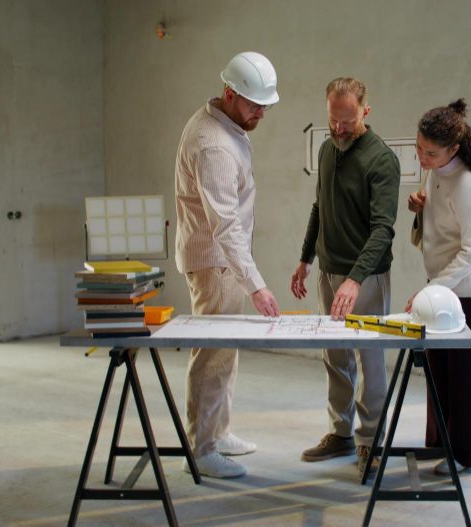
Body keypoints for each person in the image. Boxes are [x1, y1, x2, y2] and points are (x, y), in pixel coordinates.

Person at [173, 51, 281, 478]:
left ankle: (218, 432)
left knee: (224, 350)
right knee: (213, 353)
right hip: (216, 262)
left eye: (265, 105)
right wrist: (256, 284)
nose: (261, 113)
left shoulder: (227, 124)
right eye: (255, 104)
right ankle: (202, 450)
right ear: (229, 93)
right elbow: (224, 225)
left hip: (223, 262)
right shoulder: (212, 145)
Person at [291, 77, 401, 475]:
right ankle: (340, 433)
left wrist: (355, 279)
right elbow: (320, 207)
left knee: (368, 358)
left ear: (365, 111)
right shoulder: (326, 149)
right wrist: (306, 258)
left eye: (347, 120)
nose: (338, 129)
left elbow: (382, 230)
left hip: (367, 277)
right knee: (335, 357)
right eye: (332, 120)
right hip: (328, 270)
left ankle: (370, 441)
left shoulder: (381, 160)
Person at [406, 99, 471, 476]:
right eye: (419, 148)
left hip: (469, 290)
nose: (422, 157)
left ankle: (467, 454)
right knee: (439, 370)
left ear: (454, 150)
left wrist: (432, 291)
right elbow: (440, 225)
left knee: (466, 374)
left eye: (430, 153)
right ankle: (442, 444)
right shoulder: (437, 171)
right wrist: (420, 208)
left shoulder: (469, 185)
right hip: (443, 284)